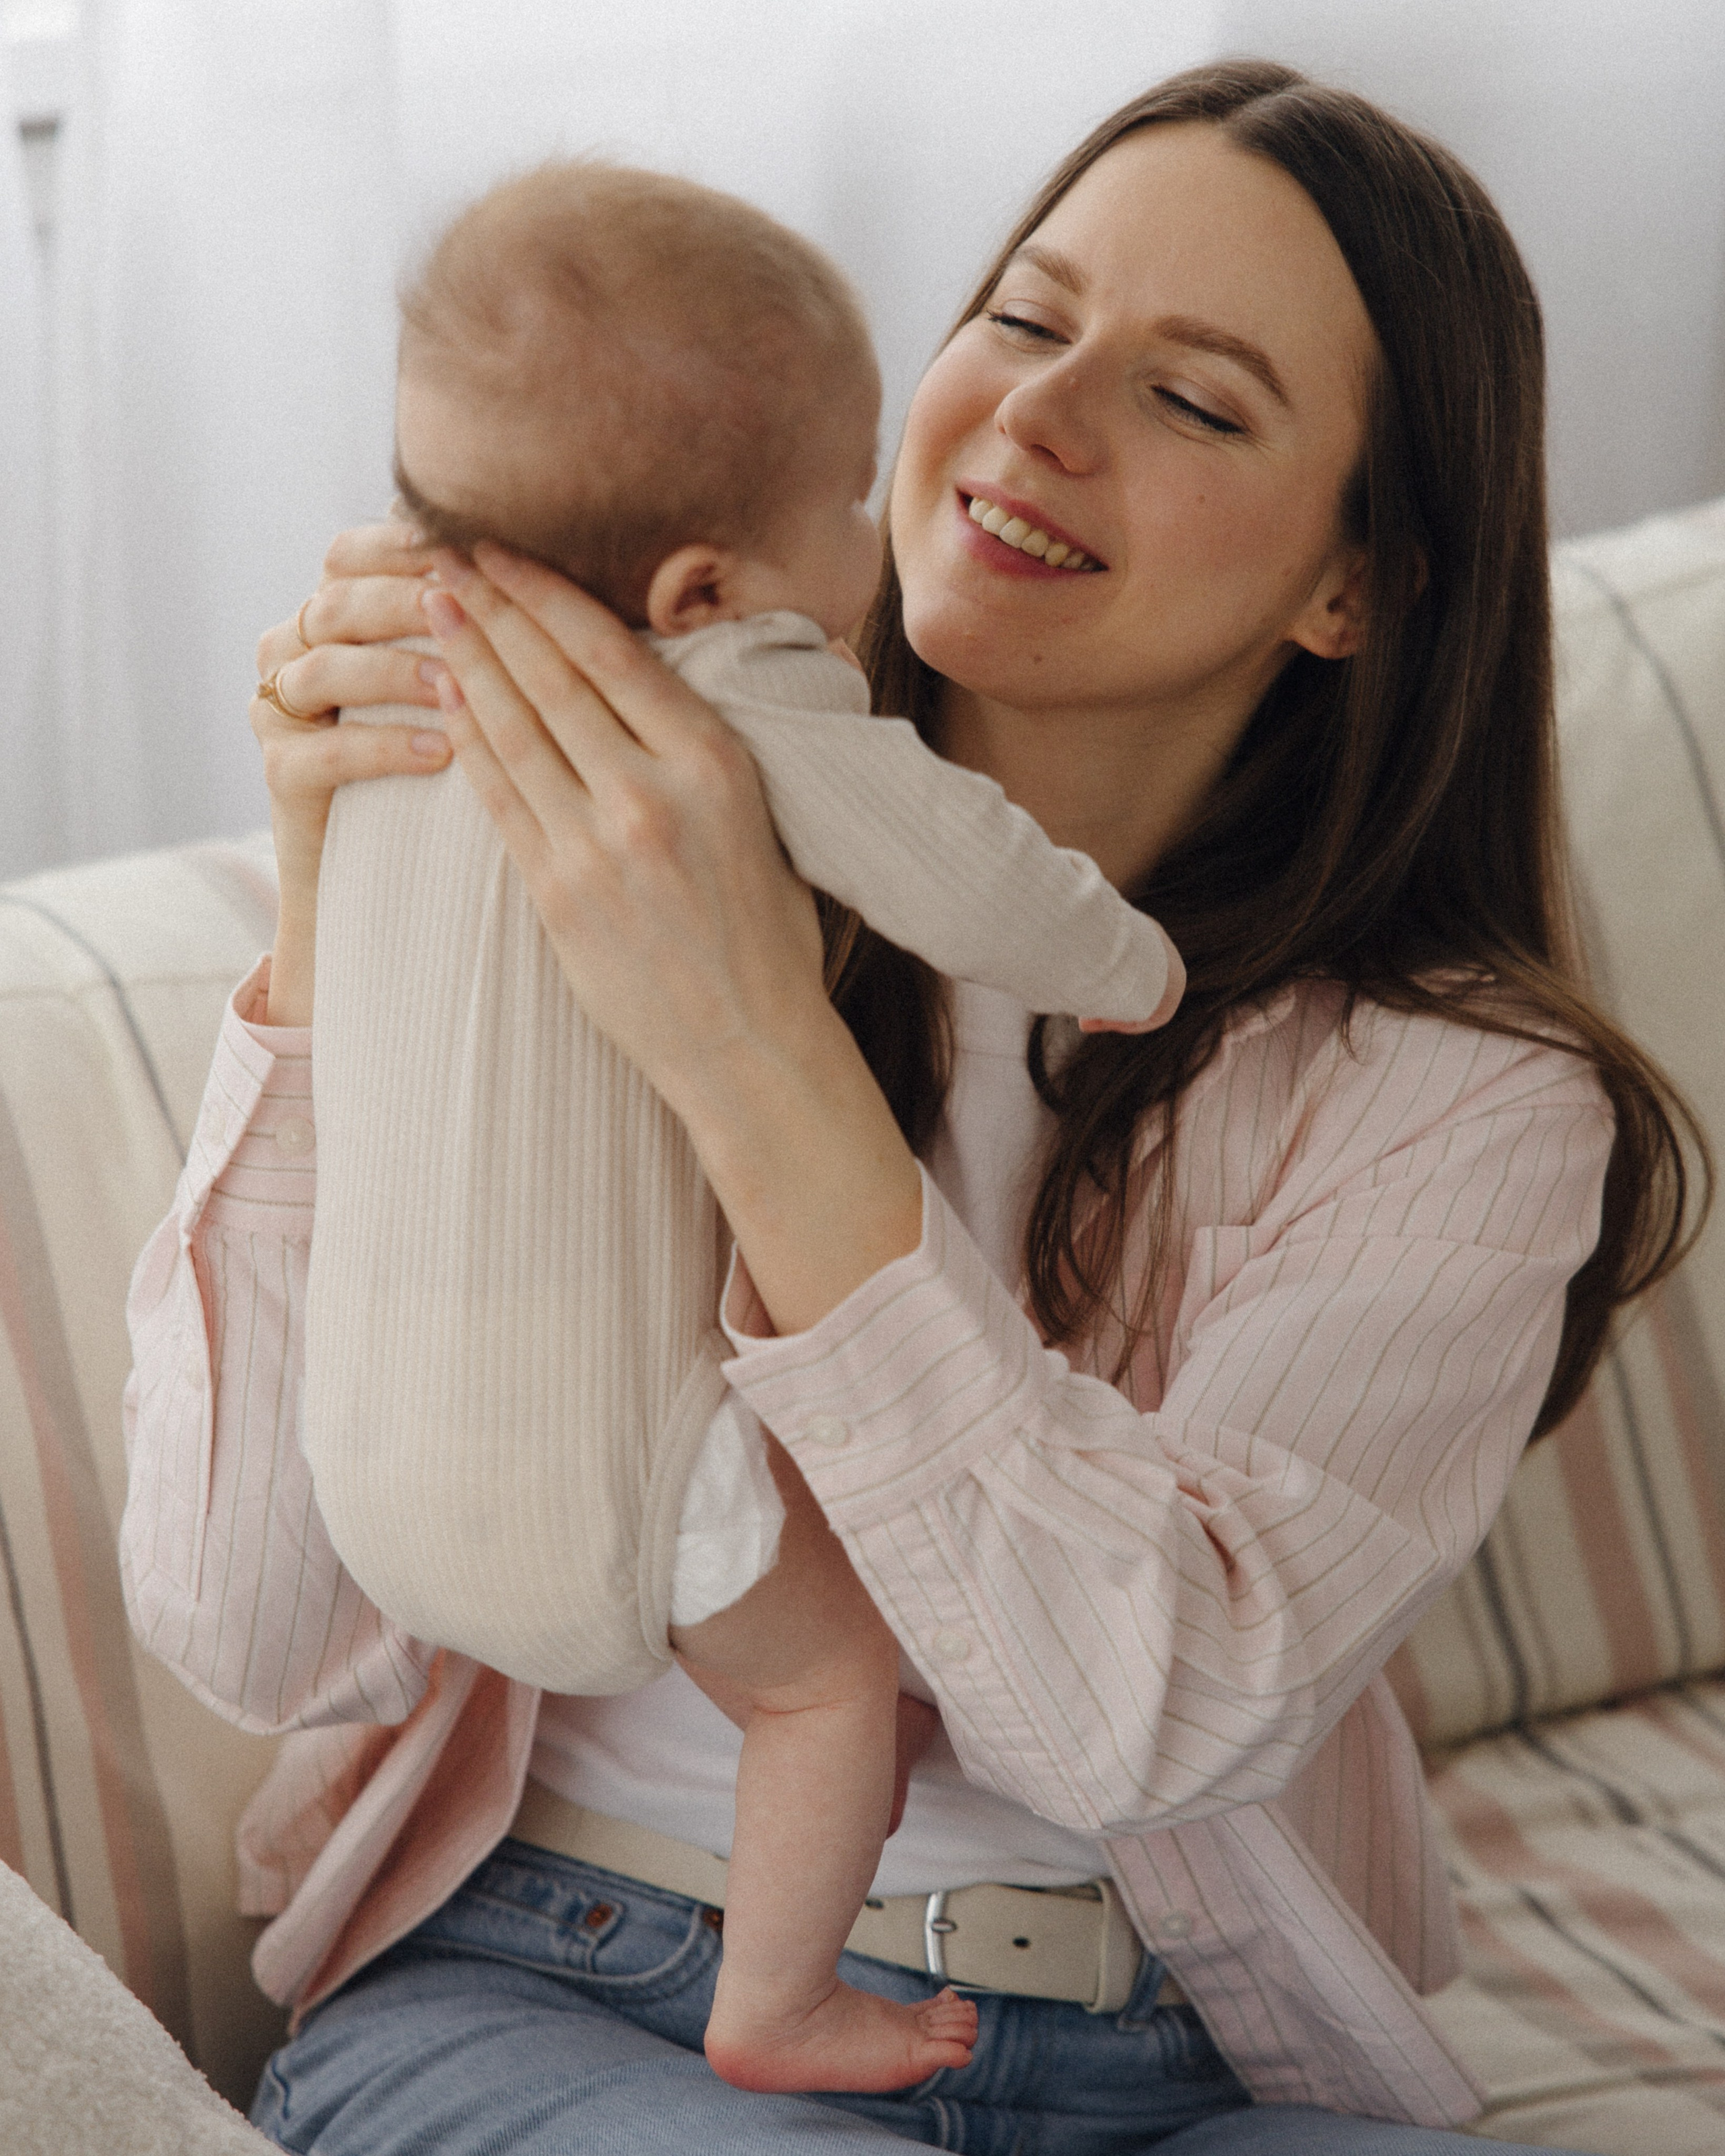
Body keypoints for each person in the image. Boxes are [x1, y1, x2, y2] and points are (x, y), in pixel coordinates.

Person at [121, 57, 1700, 2155]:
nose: (1041, 415)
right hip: (563, 1991)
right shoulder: (574, 828)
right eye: (1025, 316)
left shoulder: (1464, 1102)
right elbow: (251, 1632)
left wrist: (751, 1052)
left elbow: (1134, 1723)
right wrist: (337, 909)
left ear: (1361, 586)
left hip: (1176, 2063)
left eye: (1192, 398)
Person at [301, 158, 1183, 2097]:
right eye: (852, 497)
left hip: (368, 1459)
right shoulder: (727, 686)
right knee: (830, 1685)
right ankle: (777, 2001)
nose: (879, 531)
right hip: (620, 1476)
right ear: (702, 589)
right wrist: (1125, 960)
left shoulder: (374, 688)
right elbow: (963, 872)